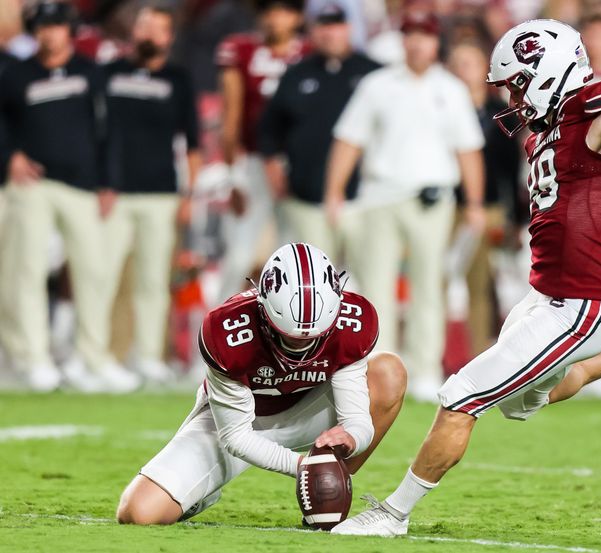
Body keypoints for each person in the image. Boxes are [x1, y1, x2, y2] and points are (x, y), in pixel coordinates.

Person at [331, 19, 601, 536]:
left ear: (546, 73)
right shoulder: (550, 129)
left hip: (581, 303)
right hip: (546, 296)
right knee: (521, 402)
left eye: (517, 82)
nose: (513, 97)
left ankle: (393, 514)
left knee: (460, 396)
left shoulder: (596, 107)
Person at [115, 243, 407, 524]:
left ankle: (333, 488)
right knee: (138, 512)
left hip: (310, 412)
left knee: (388, 372)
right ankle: (207, 490)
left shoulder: (353, 322)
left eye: (315, 337)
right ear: (263, 306)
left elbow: (356, 418)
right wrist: (302, 467)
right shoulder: (227, 330)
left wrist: (354, 436)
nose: (302, 349)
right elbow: (236, 436)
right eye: (291, 338)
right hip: (242, 421)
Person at [325, 10, 486, 401]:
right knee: (376, 286)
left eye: (425, 35)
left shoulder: (450, 89)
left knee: (429, 285)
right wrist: (334, 191)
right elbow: (350, 140)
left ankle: (425, 368)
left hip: (432, 200)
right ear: (402, 41)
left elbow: (468, 150)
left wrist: (475, 202)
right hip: (380, 196)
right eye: (411, 35)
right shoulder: (376, 85)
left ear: (436, 43)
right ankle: (381, 366)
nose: (417, 43)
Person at [0, 0, 139, 393]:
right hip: (34, 184)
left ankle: (92, 358)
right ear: (34, 31)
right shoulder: (15, 74)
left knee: (94, 271)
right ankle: (34, 359)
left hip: (84, 186)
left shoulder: (91, 73)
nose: (50, 32)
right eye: (42, 26)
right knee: (25, 271)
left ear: (69, 30)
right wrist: (9, 156)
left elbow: (110, 130)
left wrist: (110, 182)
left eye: (57, 25)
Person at [102, 6, 202, 384]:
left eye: (157, 29)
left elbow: (192, 144)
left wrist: (189, 195)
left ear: (169, 38)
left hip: (161, 194)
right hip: (114, 193)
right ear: (133, 31)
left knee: (153, 281)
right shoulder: (110, 74)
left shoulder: (178, 79)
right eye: (143, 25)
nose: (148, 34)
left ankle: (148, 356)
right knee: (104, 277)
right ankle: (101, 357)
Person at [260, 2, 380, 266]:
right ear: (313, 32)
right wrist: (273, 167)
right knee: (314, 282)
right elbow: (269, 129)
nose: (330, 33)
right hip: (307, 198)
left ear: (348, 28)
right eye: (323, 27)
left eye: (336, 26)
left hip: (364, 199)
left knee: (368, 278)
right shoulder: (296, 74)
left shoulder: (374, 73)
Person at [215, 0, 308, 302]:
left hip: (298, 165)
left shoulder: (308, 53)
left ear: (297, 16)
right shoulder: (241, 50)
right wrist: (233, 176)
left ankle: (294, 338)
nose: (274, 18)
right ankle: (213, 337)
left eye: (282, 10)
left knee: (296, 260)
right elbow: (230, 116)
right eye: (268, 10)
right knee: (240, 256)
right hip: (253, 161)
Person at [446, 40, 522, 356]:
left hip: (487, 207)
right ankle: (434, 357)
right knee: (437, 284)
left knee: (481, 287)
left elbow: (512, 169)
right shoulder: (441, 108)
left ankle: (477, 356)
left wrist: (516, 218)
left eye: (470, 63)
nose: (462, 71)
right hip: (445, 206)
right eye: (457, 64)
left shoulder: (501, 114)